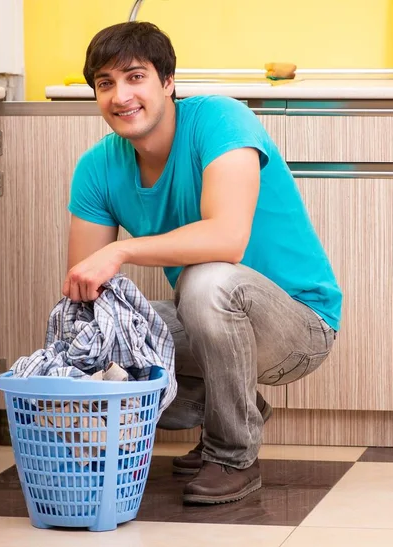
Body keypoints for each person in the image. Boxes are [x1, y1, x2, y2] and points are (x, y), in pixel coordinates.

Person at [62, 21, 342, 505]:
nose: (120, 95)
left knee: (208, 278)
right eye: (105, 84)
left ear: (167, 82)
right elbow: (87, 290)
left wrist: (122, 249)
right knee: (95, 330)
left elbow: (226, 238)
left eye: (134, 77)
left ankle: (232, 453)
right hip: (209, 322)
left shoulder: (219, 120)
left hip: (299, 326)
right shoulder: (96, 169)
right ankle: (232, 407)